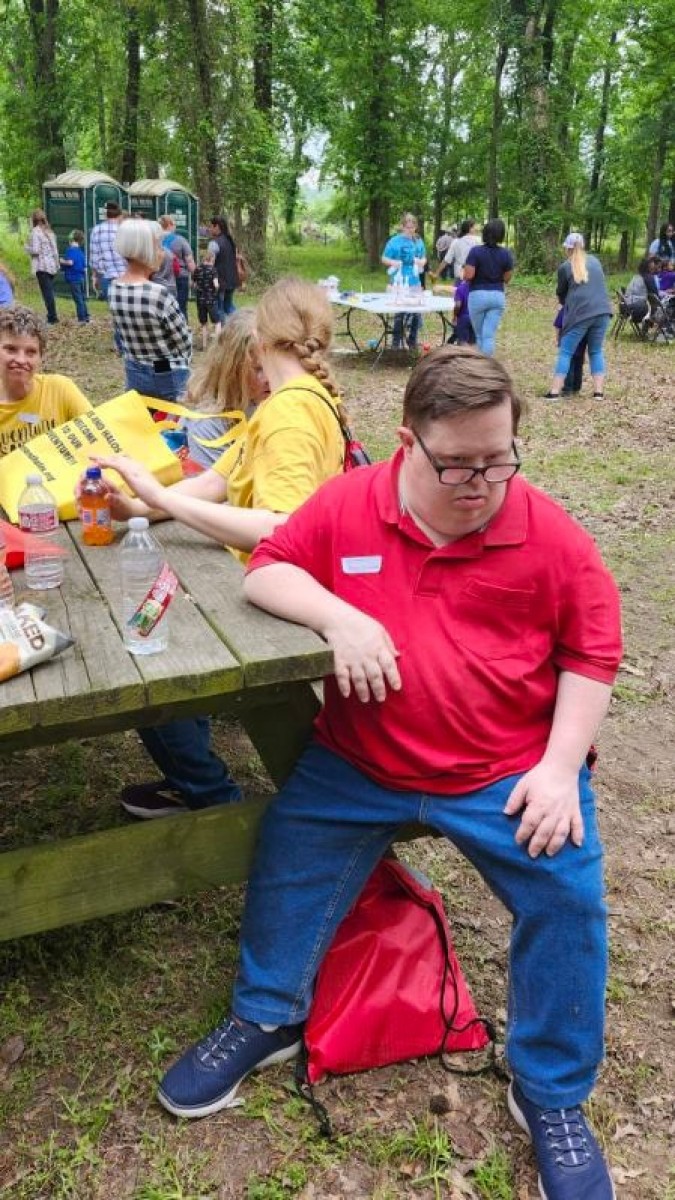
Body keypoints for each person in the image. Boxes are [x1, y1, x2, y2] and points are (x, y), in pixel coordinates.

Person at [156, 344, 621, 1200]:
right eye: (457, 464)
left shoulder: (547, 532)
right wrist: (341, 618)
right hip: (361, 762)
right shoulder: (351, 503)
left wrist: (559, 768)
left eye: (499, 458)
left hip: (501, 770)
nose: (481, 483)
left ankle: (549, 1091)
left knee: (567, 898)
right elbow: (269, 570)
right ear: (407, 441)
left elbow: (592, 652)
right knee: (289, 853)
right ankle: (267, 1015)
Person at [96, 277, 345, 819]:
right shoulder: (289, 403)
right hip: (262, 584)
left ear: (259, 340)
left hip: (274, 602)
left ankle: (213, 799)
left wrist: (163, 497)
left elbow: (280, 527)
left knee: (146, 652)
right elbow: (216, 481)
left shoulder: (290, 413)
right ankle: (198, 779)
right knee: (150, 618)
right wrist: (138, 504)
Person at [108, 218, 192, 404]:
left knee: (143, 418)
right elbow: (184, 341)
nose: (163, 253)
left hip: (134, 371)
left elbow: (121, 335)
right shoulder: (159, 294)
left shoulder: (114, 288)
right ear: (145, 252)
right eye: (159, 247)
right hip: (165, 371)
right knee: (171, 417)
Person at [178, 309, 268, 470]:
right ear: (232, 370)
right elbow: (219, 486)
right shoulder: (208, 425)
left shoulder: (262, 399)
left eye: (274, 366)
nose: (270, 378)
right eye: (258, 369)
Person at [0, 305, 89, 456]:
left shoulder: (60, 390)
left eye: (31, 352)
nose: (21, 360)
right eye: (11, 349)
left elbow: (97, 436)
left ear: (41, 357)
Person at [545, 233, 612, 401]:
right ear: (582, 246)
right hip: (603, 311)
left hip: (581, 314)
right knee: (596, 351)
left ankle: (554, 392)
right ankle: (598, 392)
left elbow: (561, 294)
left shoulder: (565, 267)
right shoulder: (595, 261)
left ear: (567, 248)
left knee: (566, 352)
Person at [463, 218, 514, 356]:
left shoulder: (475, 251)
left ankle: (482, 364)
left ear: (485, 232)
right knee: (489, 336)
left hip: (478, 295)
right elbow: (507, 278)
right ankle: (487, 362)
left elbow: (469, 275)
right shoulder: (506, 254)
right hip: (497, 296)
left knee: (479, 334)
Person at [381, 212, 427, 350]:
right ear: (402, 227)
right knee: (400, 311)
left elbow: (424, 258)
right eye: (407, 227)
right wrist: (393, 262)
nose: (410, 230)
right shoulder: (394, 241)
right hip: (399, 279)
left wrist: (421, 262)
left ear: (416, 227)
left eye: (412, 227)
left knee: (416, 311)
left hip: (414, 280)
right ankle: (396, 342)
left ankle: (413, 340)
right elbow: (384, 258)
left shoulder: (418, 241)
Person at [25, 210, 60, 325]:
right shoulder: (49, 231)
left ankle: (52, 317)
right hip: (52, 266)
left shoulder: (35, 232)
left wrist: (26, 248)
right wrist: (57, 264)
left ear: (33, 220)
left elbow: (36, 250)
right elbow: (55, 251)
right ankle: (52, 315)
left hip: (42, 266)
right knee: (49, 292)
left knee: (47, 293)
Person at [159, 215, 195, 319]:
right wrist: (195, 276)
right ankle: (182, 326)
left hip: (159, 277)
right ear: (170, 225)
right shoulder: (181, 240)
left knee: (162, 306)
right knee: (181, 306)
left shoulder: (155, 240)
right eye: (174, 224)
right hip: (179, 276)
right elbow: (189, 261)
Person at [89, 201, 126, 301]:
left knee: (112, 306)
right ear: (120, 215)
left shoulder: (96, 230)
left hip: (106, 276)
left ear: (106, 215)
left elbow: (94, 257)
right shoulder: (125, 230)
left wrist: (94, 276)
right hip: (125, 276)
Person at [208, 216, 240, 323]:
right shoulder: (230, 241)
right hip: (232, 279)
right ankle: (242, 324)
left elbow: (210, 265)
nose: (209, 229)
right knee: (228, 306)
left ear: (217, 227)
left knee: (219, 308)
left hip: (219, 281)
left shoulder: (214, 244)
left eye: (211, 227)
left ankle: (224, 330)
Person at [192, 250, 221, 351]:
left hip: (200, 300)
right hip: (211, 299)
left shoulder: (197, 269)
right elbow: (216, 285)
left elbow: (193, 285)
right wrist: (216, 289)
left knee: (204, 323)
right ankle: (216, 347)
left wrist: (199, 288)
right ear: (211, 259)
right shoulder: (213, 270)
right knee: (217, 322)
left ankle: (204, 346)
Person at [60, 230, 90, 324]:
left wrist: (61, 261)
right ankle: (86, 316)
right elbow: (84, 267)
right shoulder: (81, 252)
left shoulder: (70, 250)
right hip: (81, 278)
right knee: (82, 298)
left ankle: (81, 319)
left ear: (71, 239)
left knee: (78, 299)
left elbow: (70, 262)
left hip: (74, 278)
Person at [623, 256, 660, 326]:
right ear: (648, 267)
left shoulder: (636, 276)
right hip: (637, 310)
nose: (654, 267)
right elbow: (655, 295)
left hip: (624, 307)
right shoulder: (648, 277)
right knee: (658, 306)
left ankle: (647, 325)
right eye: (652, 266)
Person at [443, 217, 480, 281]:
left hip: (459, 274)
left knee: (459, 287)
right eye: (474, 227)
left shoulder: (456, 241)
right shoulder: (478, 241)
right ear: (470, 229)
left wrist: (437, 273)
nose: (475, 229)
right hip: (474, 274)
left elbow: (447, 260)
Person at [449, 275, 475, 345]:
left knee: (463, 342)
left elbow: (458, 305)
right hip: (476, 318)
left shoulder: (461, 288)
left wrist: (455, 316)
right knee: (473, 343)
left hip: (464, 318)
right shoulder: (478, 289)